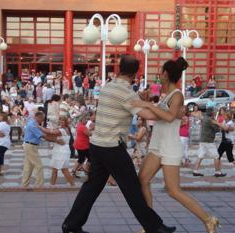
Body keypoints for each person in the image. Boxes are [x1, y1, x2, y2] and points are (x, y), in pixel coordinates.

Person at [62, 55, 176, 233]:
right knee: (132, 188)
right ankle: (155, 227)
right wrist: (170, 110)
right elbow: (149, 116)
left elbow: (129, 104)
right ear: (135, 73)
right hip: (112, 147)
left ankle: (71, 224)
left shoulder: (109, 86)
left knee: (92, 186)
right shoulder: (127, 92)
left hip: (97, 144)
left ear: (119, 69)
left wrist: (142, 100)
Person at [132, 57, 220, 233]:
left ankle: (209, 219)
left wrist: (147, 104)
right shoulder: (167, 97)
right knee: (142, 180)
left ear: (165, 74)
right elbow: (158, 116)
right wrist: (139, 105)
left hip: (170, 147)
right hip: (157, 146)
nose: (159, 75)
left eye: (161, 72)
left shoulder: (177, 95)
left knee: (173, 190)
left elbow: (170, 116)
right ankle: (150, 225)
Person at [193, 108, 225, 178]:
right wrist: (217, 123)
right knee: (216, 156)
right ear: (211, 113)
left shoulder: (204, 118)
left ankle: (195, 171)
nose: (214, 113)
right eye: (214, 112)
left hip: (202, 139)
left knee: (200, 155)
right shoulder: (210, 120)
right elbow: (216, 129)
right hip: (208, 140)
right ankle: (217, 172)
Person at [44, 116, 75, 187]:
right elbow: (51, 134)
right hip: (59, 150)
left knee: (64, 169)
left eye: (63, 121)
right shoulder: (64, 129)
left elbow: (49, 132)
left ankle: (72, 185)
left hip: (62, 151)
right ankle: (52, 185)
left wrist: (39, 127)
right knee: (55, 169)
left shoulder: (63, 130)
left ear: (66, 122)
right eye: (60, 120)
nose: (61, 122)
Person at [21, 111, 48, 188]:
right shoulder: (33, 125)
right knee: (39, 165)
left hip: (30, 145)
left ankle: (24, 184)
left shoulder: (33, 123)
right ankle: (40, 185)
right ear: (38, 117)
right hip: (30, 146)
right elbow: (42, 135)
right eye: (42, 118)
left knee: (28, 167)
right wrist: (54, 139)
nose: (43, 120)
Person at [72, 113, 91, 178]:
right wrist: (91, 128)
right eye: (85, 119)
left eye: (87, 119)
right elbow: (90, 134)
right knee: (90, 158)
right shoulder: (82, 127)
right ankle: (86, 170)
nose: (86, 121)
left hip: (79, 144)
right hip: (83, 145)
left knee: (81, 159)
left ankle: (74, 171)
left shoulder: (79, 125)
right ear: (81, 119)